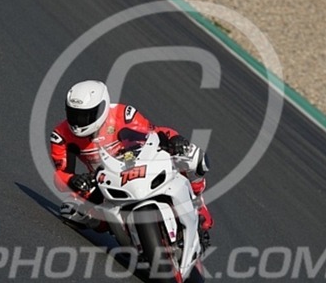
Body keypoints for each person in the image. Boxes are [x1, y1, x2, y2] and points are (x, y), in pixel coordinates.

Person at [49, 80, 214, 245]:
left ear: (101, 108)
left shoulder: (123, 115)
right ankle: (124, 231)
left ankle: (197, 201)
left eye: (85, 115)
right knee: (71, 210)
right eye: (73, 114)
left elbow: (155, 132)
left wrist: (175, 138)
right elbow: (60, 175)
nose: (78, 121)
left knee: (193, 157)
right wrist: (73, 180)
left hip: (140, 162)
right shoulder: (61, 135)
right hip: (104, 179)